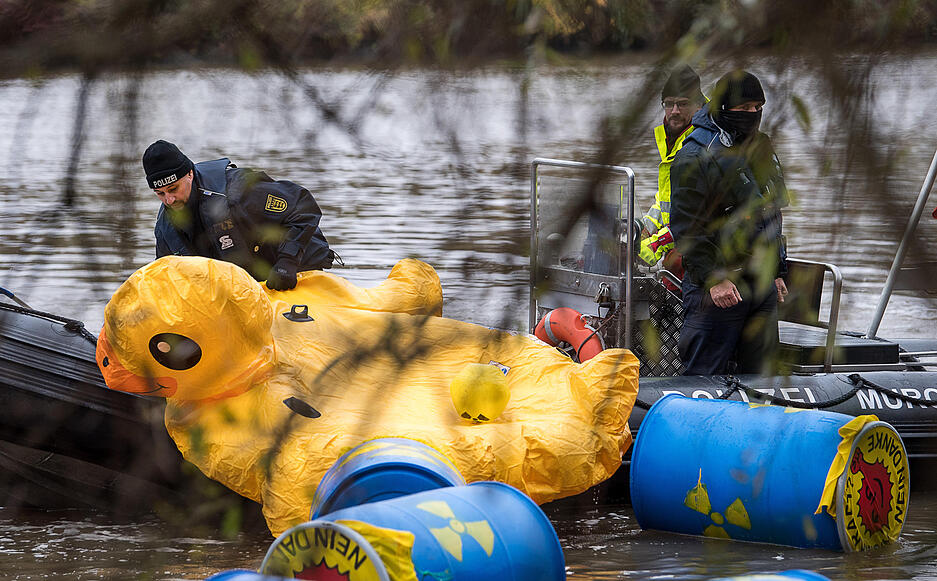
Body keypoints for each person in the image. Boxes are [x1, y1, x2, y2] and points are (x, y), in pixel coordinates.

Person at [669, 70, 789, 376]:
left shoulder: (760, 148)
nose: (752, 115)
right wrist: (714, 279)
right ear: (723, 110)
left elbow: (772, 214)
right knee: (705, 374)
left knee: (761, 380)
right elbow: (687, 227)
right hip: (717, 291)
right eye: (744, 108)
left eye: (757, 108)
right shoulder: (695, 156)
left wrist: (776, 271)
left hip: (759, 288)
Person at [144, 140, 335, 291]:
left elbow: (302, 205)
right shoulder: (165, 228)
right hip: (246, 289)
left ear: (190, 174)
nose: (169, 200)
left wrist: (288, 261)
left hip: (295, 270)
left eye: (173, 189)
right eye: (160, 194)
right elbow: (167, 275)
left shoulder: (238, 190)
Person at [638, 65, 706, 278]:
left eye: (683, 104)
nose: (674, 111)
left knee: (674, 263)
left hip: (700, 248)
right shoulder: (671, 138)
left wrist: (657, 243)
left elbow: (696, 214)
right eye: (669, 104)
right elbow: (665, 201)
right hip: (678, 238)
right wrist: (640, 229)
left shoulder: (701, 144)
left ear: (698, 105)